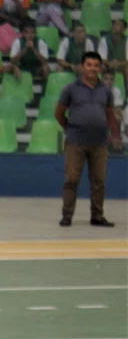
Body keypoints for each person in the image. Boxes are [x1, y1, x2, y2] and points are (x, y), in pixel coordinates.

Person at [55, 52, 117, 228]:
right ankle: (67, 215)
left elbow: (110, 114)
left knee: (99, 181)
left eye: (96, 65)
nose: (92, 68)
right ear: (83, 67)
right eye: (89, 65)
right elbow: (59, 113)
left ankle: (97, 216)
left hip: (100, 143)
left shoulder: (106, 91)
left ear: (100, 68)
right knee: (72, 179)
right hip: (76, 142)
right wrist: (69, 128)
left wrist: (114, 134)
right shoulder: (70, 89)